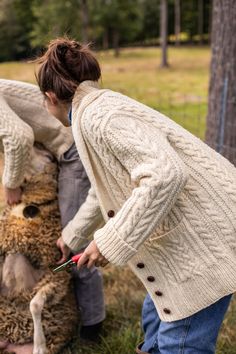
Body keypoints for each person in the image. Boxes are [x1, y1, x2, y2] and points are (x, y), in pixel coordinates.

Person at [35, 37, 236, 354]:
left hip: (203, 243)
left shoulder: (101, 117)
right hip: (190, 235)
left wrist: (111, 239)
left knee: (179, 343)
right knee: (154, 318)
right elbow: (108, 194)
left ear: (50, 97)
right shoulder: (94, 111)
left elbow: (165, 173)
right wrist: (76, 236)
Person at [0, 79, 105, 342]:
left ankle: (92, 324)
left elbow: (18, 137)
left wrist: (11, 184)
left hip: (71, 149)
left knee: (71, 236)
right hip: (53, 149)